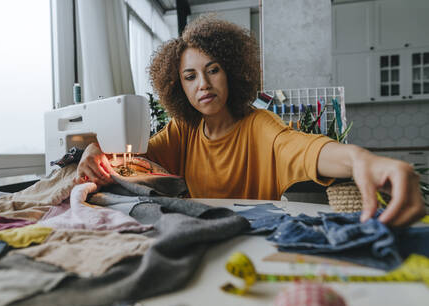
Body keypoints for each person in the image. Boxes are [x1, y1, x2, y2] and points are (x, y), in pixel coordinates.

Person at [76, 15, 426, 227]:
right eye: (190, 76)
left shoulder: (261, 126)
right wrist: (94, 151)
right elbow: (131, 161)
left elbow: (307, 149)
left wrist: (361, 159)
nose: (204, 85)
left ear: (231, 73)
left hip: (256, 238)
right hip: (201, 239)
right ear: (178, 86)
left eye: (213, 70)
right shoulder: (182, 133)